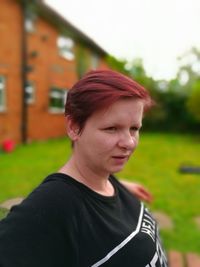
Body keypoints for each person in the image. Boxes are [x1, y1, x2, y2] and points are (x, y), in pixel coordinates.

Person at [0, 70, 167, 267]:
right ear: (73, 127)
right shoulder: (52, 206)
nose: (129, 143)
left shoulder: (102, 175)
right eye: (111, 128)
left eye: (134, 128)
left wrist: (120, 189)